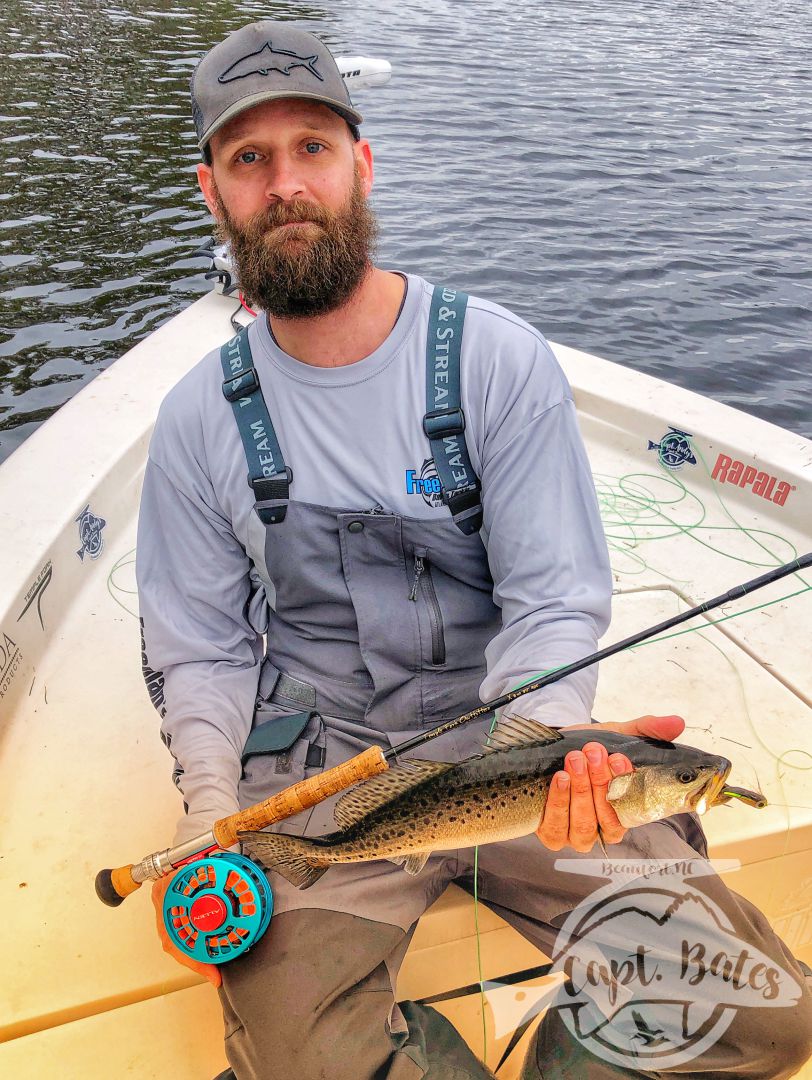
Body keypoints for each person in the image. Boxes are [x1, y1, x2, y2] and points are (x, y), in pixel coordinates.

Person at [137, 21, 812, 1080]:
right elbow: (201, 650)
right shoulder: (193, 420)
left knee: (767, 1022)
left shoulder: (495, 359)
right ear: (212, 193)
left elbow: (550, 603)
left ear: (361, 166)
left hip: (511, 742)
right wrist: (216, 809)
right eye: (248, 159)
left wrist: (541, 748)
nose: (285, 185)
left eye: (311, 147)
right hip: (321, 773)